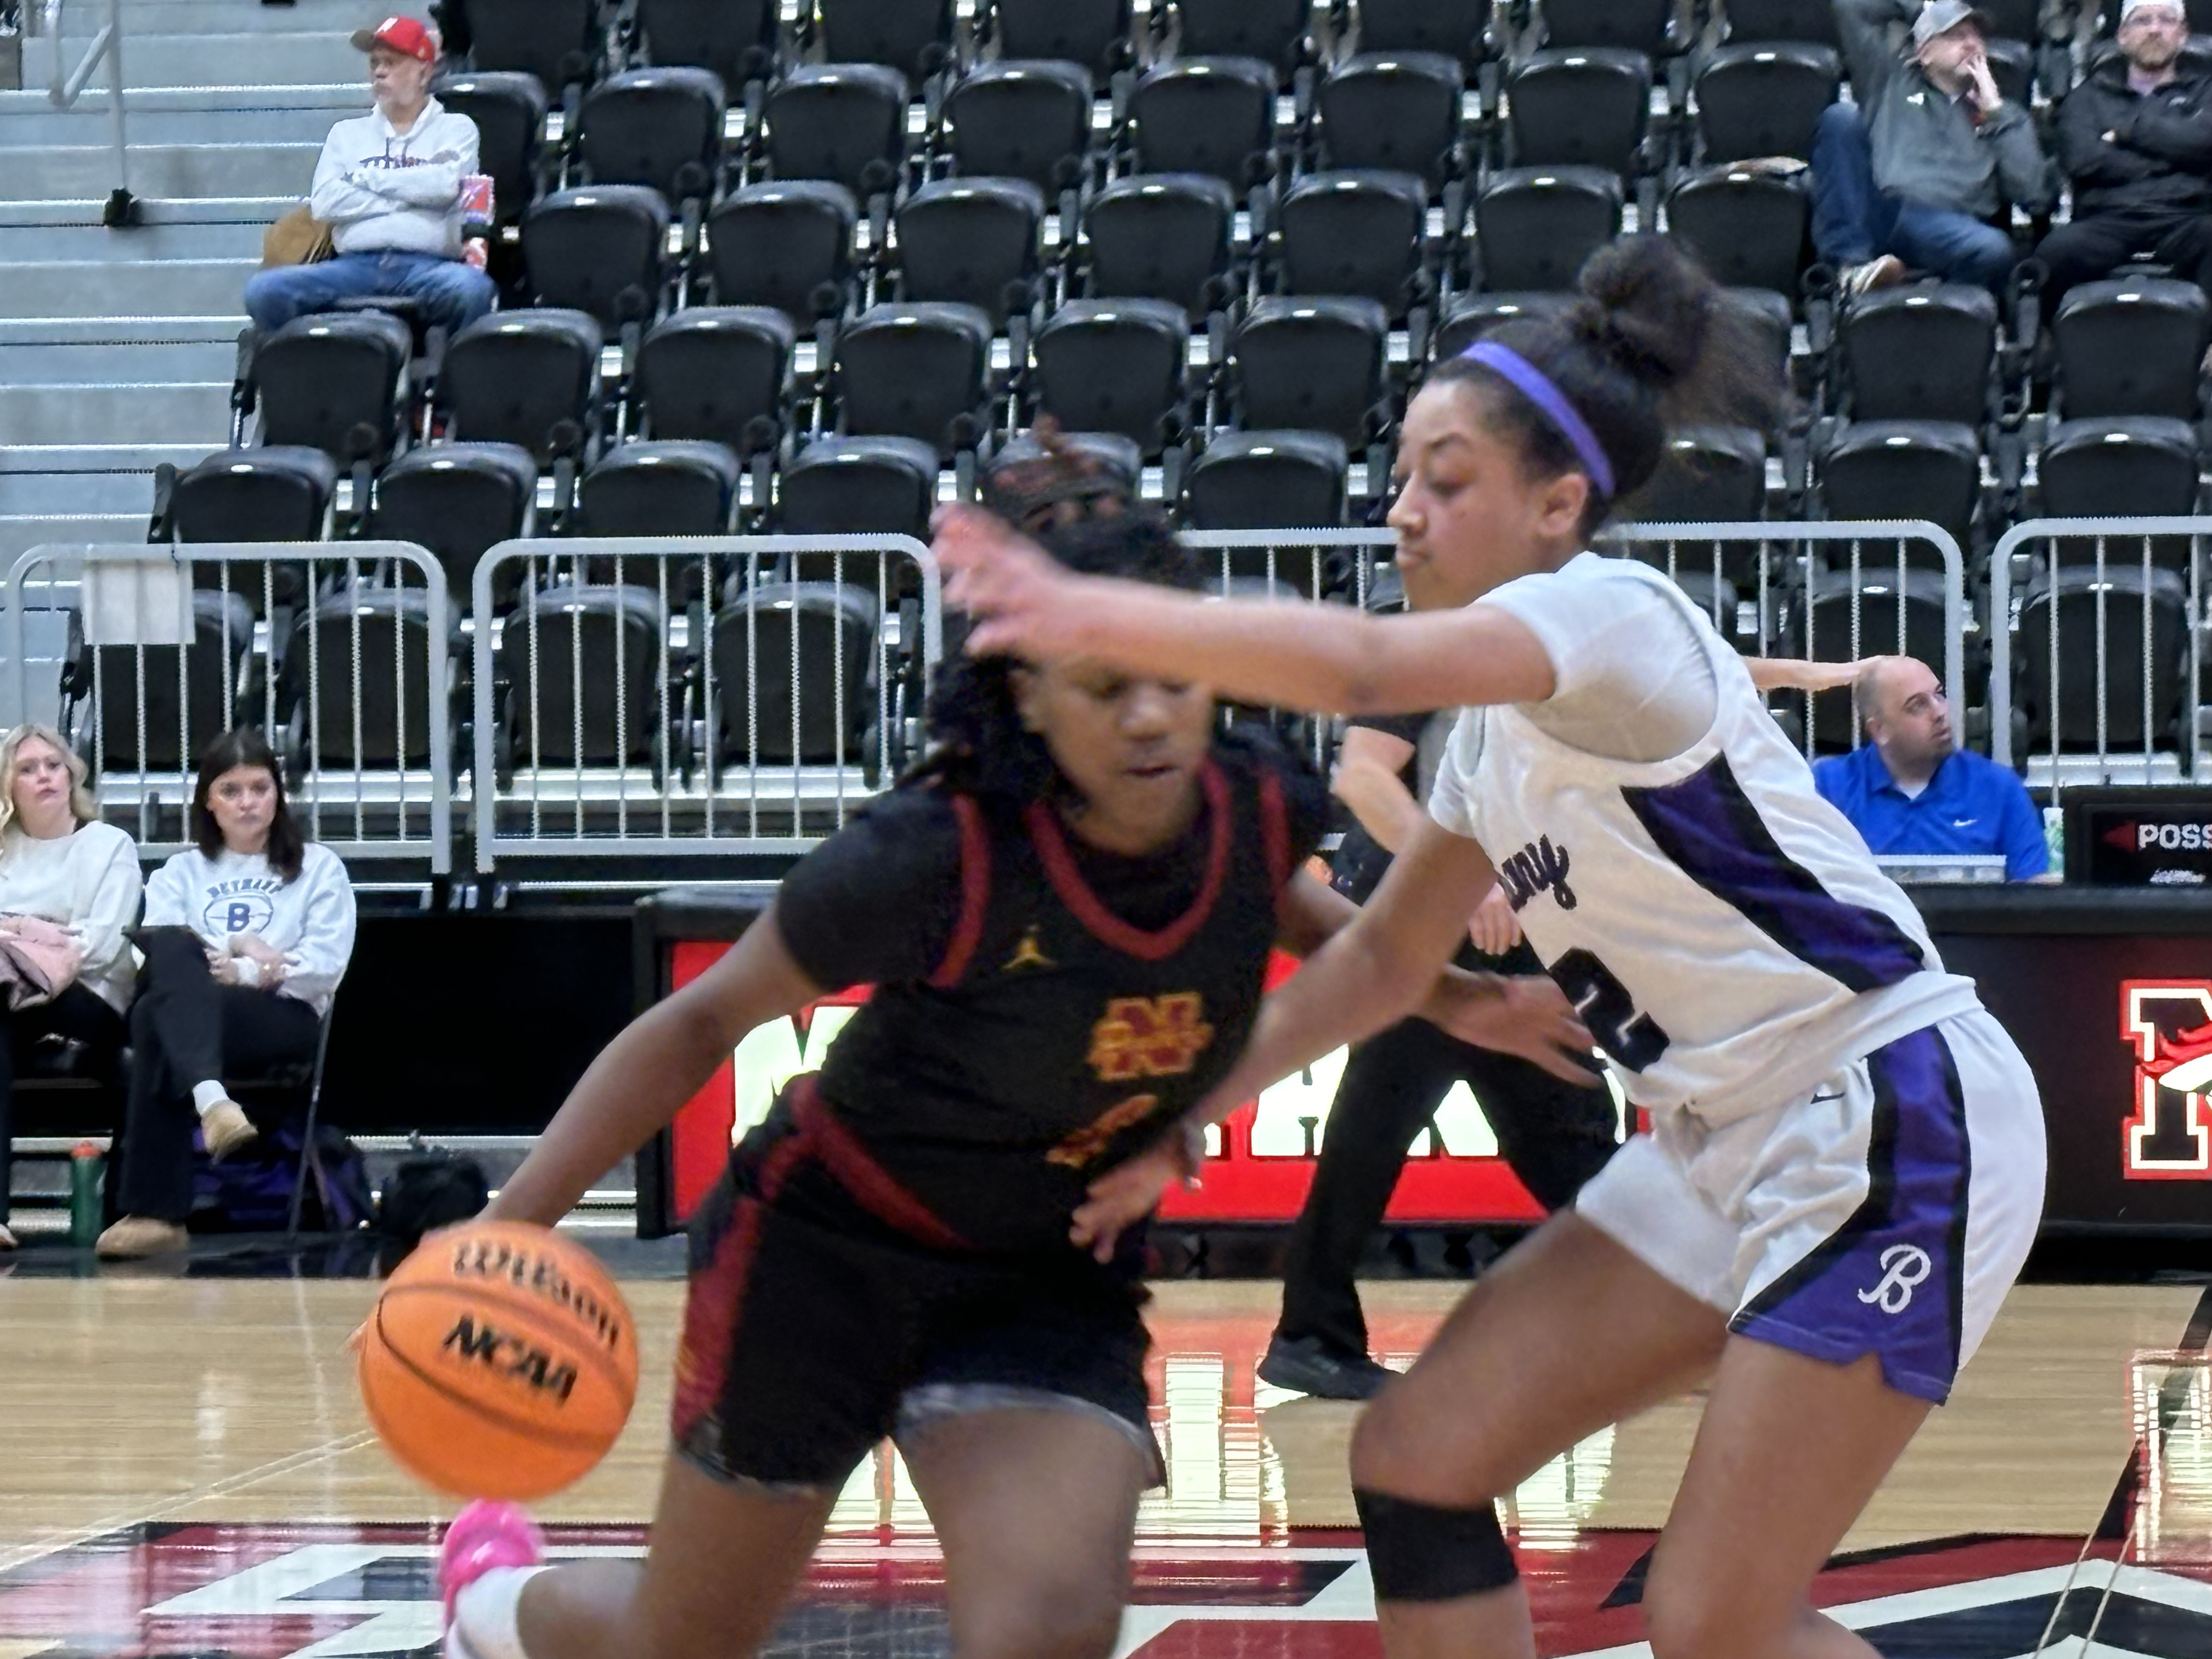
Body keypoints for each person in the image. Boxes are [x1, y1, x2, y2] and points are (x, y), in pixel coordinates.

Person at [938, 234, 2049, 1659]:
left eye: (1446, 481)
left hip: (1887, 1111)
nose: (1406, 512)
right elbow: (1377, 967)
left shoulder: (1612, 618)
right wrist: (1181, 1118)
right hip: (1720, 1136)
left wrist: (1075, 606)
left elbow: (1359, 670)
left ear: (1558, 503)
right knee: (1415, 1460)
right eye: (1403, 477)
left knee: (1718, 1621)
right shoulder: (1487, 748)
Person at [432, 490, 1594, 1659]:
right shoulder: (929, 851)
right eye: (1104, 688)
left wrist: (1464, 1002)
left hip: (1045, 1267)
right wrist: (512, 1224)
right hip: (824, 1256)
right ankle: (490, 1607)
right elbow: (696, 1025)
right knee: (680, 1647)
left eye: (1174, 681)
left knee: (1047, 1629)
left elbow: (1299, 916)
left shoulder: (1250, 802)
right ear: (1028, 692)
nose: (1149, 718)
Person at [1262, 715, 1617, 1402]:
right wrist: (1467, 884)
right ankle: (1309, 1334)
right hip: (1427, 914)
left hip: (1491, 915)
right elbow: (1363, 775)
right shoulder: (1429, 637)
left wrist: (1804, 677)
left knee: (1560, 1128)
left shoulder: (1545, 636)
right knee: (1388, 1130)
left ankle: (1310, 1333)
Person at [95, 731, 357, 1260]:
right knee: (160, 982)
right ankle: (214, 1103)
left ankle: (155, 1211)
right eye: (231, 790)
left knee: (156, 1016)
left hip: (280, 1016)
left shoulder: (319, 867)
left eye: (260, 788)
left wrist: (240, 967)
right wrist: (243, 955)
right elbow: (154, 958)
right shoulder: (179, 872)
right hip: (197, 1007)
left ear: (278, 796)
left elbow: (324, 966)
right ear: (209, 802)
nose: (247, 802)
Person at [241, 15, 495, 338]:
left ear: (424, 71)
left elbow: (446, 186)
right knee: (263, 292)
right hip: (353, 266)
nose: (378, 72)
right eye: (375, 63)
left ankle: (450, 384)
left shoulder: (457, 129)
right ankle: (320, 375)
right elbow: (326, 204)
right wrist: (411, 198)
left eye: (391, 62)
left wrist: (367, 179)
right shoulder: (345, 134)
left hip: (428, 267)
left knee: (473, 289)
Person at [0, 725, 142, 1254]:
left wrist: (16, 932)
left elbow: (102, 944)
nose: (44, 777)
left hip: (91, 999)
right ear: (8, 786)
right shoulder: (3, 850)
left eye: (53, 765)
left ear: (72, 775)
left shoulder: (107, 845)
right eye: (28, 768)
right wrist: (46, 933)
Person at [1814, 0, 2056, 295]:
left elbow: (2037, 197)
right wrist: (1921, 10)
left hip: (1950, 227)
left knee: (1994, 249)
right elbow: (1850, 7)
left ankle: (1936, 305)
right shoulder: (1891, 82)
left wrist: (1996, 114)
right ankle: (1852, 267)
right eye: (1954, 36)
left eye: (1976, 37)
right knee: (1841, 118)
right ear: (1924, 53)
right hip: (1887, 212)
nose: (1971, 44)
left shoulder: (2006, 117)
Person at [2038, 0, 2212, 311]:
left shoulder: (2206, 92)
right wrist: (2176, 158)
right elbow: (2083, 161)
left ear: (2183, 34)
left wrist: (2127, 134)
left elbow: (2206, 145)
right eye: (2143, 20)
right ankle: (2052, 348)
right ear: (2122, 35)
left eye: (2166, 20)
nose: (2155, 30)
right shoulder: (2087, 97)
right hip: (2108, 219)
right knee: (2052, 256)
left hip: (2188, 217)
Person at [1813, 654, 2050, 882]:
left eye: (1940, 695)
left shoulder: (1998, 787)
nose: (1940, 713)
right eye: (1918, 706)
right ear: (1880, 731)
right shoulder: (1829, 788)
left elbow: (2033, 889)